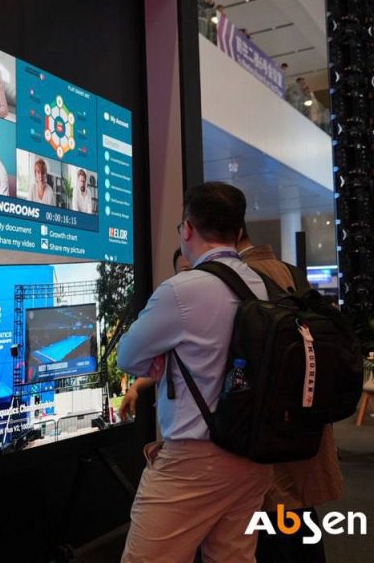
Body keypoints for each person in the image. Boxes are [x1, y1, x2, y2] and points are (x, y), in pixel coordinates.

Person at [117, 182, 271, 562]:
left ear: (187, 229)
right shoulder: (258, 284)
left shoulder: (181, 290)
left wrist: (163, 358)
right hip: (252, 455)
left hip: (195, 463)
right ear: (238, 232)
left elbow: (128, 356)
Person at [236, 227, 344, 562]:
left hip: (272, 422)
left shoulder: (241, 278)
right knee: (299, 516)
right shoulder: (293, 275)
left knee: (277, 521)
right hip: (308, 415)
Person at [119, 248, 190, 421]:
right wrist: (135, 387)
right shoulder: (171, 319)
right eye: (184, 273)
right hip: (174, 422)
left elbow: (125, 357)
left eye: (194, 271)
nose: (189, 278)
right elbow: (162, 367)